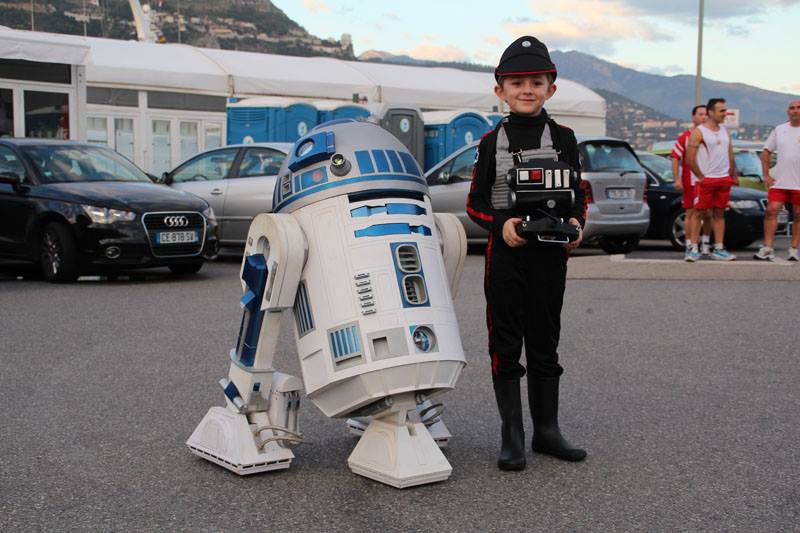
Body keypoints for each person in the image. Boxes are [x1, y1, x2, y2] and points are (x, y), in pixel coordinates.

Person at [466, 36, 587, 471]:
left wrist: (576, 225)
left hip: (550, 258)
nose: (527, 89)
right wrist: (503, 224)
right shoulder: (490, 142)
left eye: (536, 81)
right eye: (516, 82)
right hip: (507, 257)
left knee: (545, 341)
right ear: (500, 90)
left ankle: (547, 432)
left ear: (551, 88)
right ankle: (512, 434)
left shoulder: (567, 138)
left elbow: (578, 195)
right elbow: (474, 202)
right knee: (505, 343)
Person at [685, 98, 738, 261]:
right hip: (707, 180)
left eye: (725, 110)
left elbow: (729, 153)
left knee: (719, 213)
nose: (725, 114)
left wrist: (732, 174)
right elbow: (689, 157)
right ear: (711, 112)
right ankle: (693, 248)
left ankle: (719, 248)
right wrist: (701, 176)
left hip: (723, 179)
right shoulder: (699, 132)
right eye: (721, 111)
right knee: (698, 213)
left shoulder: (725, 131)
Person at [754, 100, 800, 262]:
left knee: (798, 214)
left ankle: (794, 250)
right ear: (788, 112)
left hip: (798, 183)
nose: (795, 111)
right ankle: (767, 248)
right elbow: (766, 152)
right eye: (792, 108)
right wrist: (766, 174)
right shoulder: (780, 130)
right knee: (771, 210)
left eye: (798, 108)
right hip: (780, 181)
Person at [671, 105, 712, 258]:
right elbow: (675, 157)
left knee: (709, 213)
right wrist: (677, 179)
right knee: (691, 212)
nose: (703, 117)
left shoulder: (711, 137)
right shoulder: (685, 137)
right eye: (700, 114)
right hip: (691, 181)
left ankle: (706, 243)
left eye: (706, 114)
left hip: (709, 180)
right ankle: (690, 244)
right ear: (693, 117)